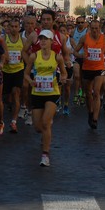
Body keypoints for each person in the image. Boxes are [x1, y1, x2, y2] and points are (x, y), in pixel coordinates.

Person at [24, 30, 67, 166]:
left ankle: (45, 155)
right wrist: (31, 82)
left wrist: (63, 79)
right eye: (41, 39)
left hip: (52, 93)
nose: (42, 41)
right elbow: (26, 74)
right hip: (37, 93)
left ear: (51, 42)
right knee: (38, 127)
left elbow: (64, 73)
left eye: (46, 39)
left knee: (45, 123)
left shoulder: (57, 57)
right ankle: (46, 128)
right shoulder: (34, 56)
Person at [74, 20, 105, 129]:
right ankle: (90, 112)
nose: (94, 30)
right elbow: (75, 52)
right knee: (88, 93)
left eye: (97, 28)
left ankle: (95, 118)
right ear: (89, 28)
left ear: (100, 28)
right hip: (87, 68)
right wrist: (81, 56)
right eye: (93, 28)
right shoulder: (84, 38)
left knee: (96, 92)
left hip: (100, 68)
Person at [2, 17, 25, 133]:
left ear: (19, 28)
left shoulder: (23, 40)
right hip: (6, 71)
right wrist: (3, 59)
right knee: (6, 97)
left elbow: (26, 55)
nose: (14, 29)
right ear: (8, 27)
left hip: (18, 70)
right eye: (12, 26)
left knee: (16, 93)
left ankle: (14, 122)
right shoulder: (3, 39)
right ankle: (9, 105)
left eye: (16, 27)